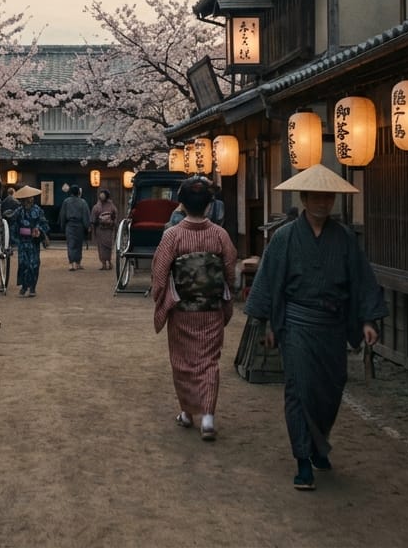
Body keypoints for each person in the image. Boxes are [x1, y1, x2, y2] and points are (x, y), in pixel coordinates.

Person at [244, 163, 388, 490]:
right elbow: (268, 281)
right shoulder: (284, 238)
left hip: (332, 324)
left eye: (328, 198)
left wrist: (367, 320)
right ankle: (302, 460)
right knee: (300, 389)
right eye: (317, 197)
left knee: (330, 390)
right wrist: (266, 323)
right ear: (304, 198)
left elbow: (361, 281)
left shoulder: (345, 239)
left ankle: (319, 442)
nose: (323, 203)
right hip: (296, 322)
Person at [151, 176, 238, 442]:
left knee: (183, 361)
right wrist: (225, 295)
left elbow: (160, 272)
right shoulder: (219, 235)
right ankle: (207, 416)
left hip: (182, 308)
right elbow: (230, 270)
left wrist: (161, 298)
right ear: (210, 205)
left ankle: (188, 411)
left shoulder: (173, 235)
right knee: (209, 361)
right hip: (210, 309)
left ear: (182, 204)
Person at [8, 185, 49, 297]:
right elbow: (13, 222)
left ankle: (32, 288)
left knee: (34, 264)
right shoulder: (19, 211)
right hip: (22, 241)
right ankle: (24, 287)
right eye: (26, 199)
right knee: (23, 264)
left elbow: (44, 223)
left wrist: (39, 229)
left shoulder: (38, 210)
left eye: (30, 199)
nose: (28, 201)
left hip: (33, 242)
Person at [59, 185, 91, 271]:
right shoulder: (83, 202)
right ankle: (77, 263)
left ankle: (71, 263)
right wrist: (87, 226)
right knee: (78, 244)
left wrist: (62, 225)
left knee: (71, 244)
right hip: (79, 225)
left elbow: (63, 215)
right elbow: (86, 215)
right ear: (78, 193)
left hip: (69, 225)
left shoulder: (66, 201)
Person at [89, 189, 119, 271]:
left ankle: (107, 262)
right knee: (104, 247)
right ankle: (105, 263)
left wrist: (92, 226)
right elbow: (93, 218)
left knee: (105, 247)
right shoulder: (107, 206)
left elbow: (93, 219)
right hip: (103, 228)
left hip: (105, 229)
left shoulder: (103, 206)